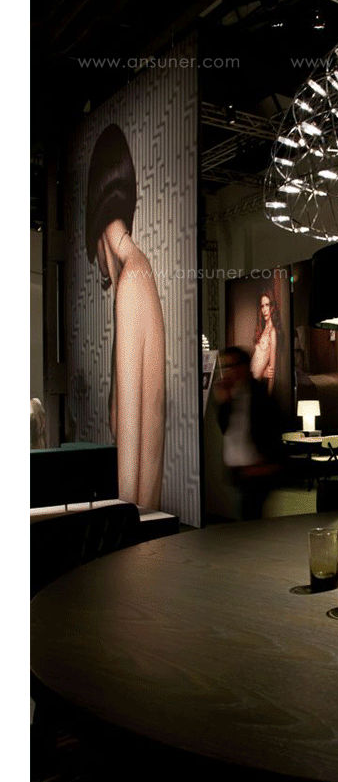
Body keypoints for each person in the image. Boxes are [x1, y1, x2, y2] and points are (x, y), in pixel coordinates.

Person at [86, 124, 166, 509]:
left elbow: (128, 469)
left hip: (137, 528)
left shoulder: (133, 281)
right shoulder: (138, 273)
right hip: (147, 524)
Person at [214, 347, 282, 518]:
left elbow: (274, 429)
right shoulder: (229, 394)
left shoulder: (259, 393)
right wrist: (225, 399)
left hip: (257, 472)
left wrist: (266, 465)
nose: (228, 371)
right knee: (245, 519)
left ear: (244, 366)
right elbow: (224, 427)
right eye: (225, 367)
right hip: (238, 473)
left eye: (233, 365)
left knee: (251, 519)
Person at [250, 291, 280, 394]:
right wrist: (263, 372)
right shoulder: (262, 331)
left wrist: (269, 396)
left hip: (256, 384)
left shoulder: (272, 332)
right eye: (262, 306)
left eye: (267, 305)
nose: (264, 309)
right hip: (250, 380)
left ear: (272, 308)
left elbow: (272, 371)